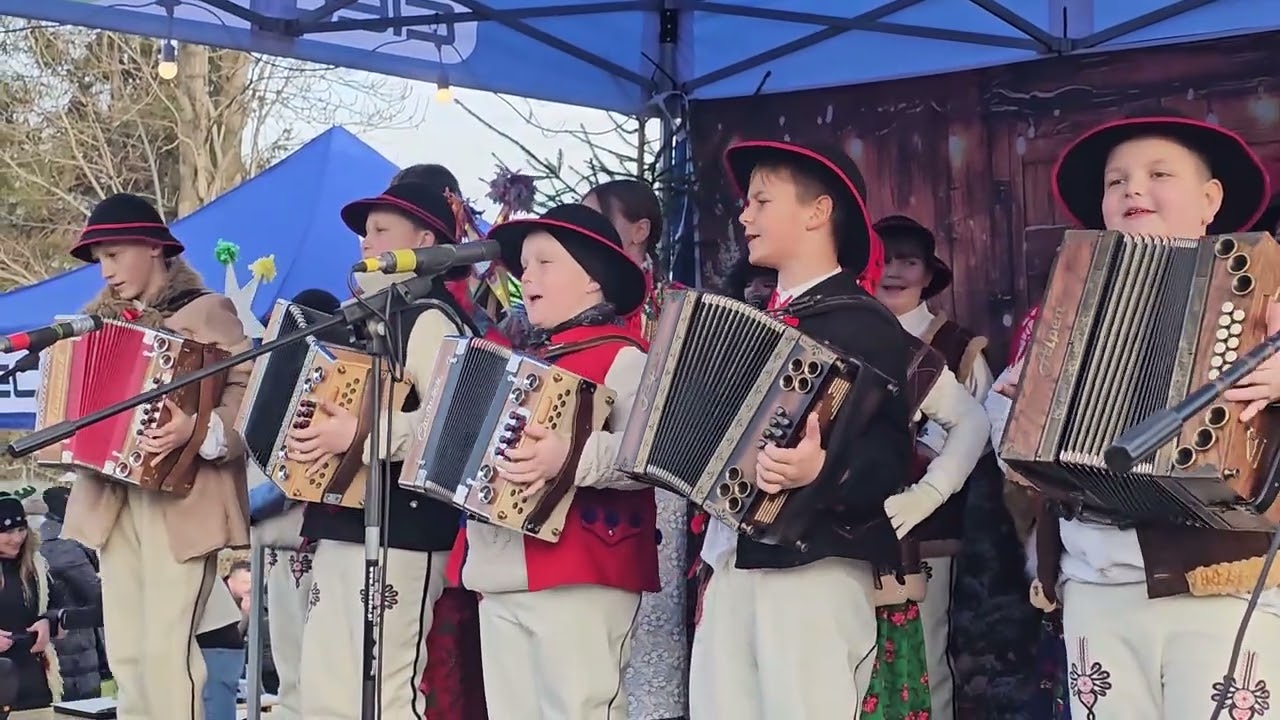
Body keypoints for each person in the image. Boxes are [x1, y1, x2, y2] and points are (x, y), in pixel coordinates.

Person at [992, 111, 1277, 719]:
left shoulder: (1272, 288)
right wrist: (1018, 413)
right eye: (1115, 181)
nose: (1132, 189)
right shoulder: (1066, 304)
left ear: (1210, 199)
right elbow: (1020, 455)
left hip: (1221, 582)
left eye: (1158, 173)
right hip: (1094, 579)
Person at [690, 140, 913, 719]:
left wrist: (824, 471)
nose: (745, 216)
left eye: (761, 200)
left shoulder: (864, 323)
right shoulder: (752, 317)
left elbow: (890, 459)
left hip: (814, 569)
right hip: (734, 560)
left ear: (817, 212)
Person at [446, 203, 656, 720]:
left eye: (544, 262)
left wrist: (569, 457)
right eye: (524, 265)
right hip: (500, 574)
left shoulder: (624, 356)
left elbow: (647, 454)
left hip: (582, 569)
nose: (526, 275)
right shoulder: (520, 359)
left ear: (592, 281)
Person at [288, 181, 478, 720]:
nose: (366, 243)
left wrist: (362, 437)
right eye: (364, 232)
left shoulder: (430, 317)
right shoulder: (368, 317)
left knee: (386, 693)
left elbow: (454, 421)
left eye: (380, 230)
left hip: (406, 529)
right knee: (328, 691)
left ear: (424, 239)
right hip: (346, 522)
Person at [60, 192, 252, 720]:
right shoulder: (94, 325)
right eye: (100, 260)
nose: (107, 270)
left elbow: (248, 388)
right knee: (126, 651)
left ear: (153, 247)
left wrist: (199, 431)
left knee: (168, 650)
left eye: (115, 254)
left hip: (181, 501)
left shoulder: (208, 310)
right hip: (112, 497)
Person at [873, 214, 1038, 718]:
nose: (895, 272)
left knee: (926, 648)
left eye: (910, 261)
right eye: (887, 259)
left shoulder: (959, 348)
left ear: (929, 275)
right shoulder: (850, 333)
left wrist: (928, 454)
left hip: (934, 523)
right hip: (856, 522)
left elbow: (985, 433)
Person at [582, 178, 688, 720]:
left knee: (653, 617)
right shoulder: (583, 302)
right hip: (585, 483)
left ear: (640, 230)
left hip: (658, 478)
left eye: (598, 219)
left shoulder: (673, 304)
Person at [246, 288, 340, 720]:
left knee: (319, 668)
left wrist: (246, 504)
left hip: (320, 537)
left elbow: (293, 475)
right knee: (289, 668)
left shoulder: (334, 384)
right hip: (281, 545)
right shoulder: (272, 384)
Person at [0, 495, 103, 718]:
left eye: (21, 529)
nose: (16, 538)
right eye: (7, 532)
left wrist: (49, 621)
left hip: (35, 680)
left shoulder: (36, 565)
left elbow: (58, 606)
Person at [36, 484, 106, 703]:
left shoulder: (46, 540)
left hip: (64, 639)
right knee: (81, 706)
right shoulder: (63, 547)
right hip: (73, 647)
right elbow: (97, 594)